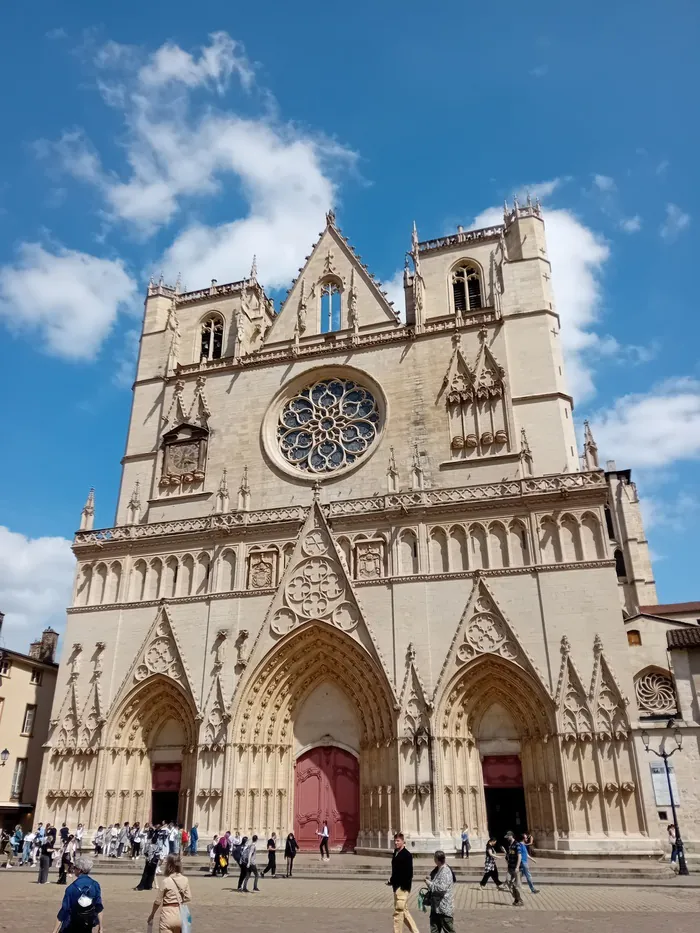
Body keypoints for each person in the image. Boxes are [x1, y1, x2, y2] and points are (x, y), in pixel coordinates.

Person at [50, 855, 103, 933]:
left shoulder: (71, 888)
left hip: (71, 924)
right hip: (87, 923)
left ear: (79, 870)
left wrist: (55, 930)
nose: (73, 869)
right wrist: (101, 927)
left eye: (75, 868)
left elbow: (64, 910)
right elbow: (99, 907)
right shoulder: (95, 885)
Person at [147, 854, 191, 933]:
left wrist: (152, 914)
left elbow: (157, 901)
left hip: (167, 914)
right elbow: (188, 897)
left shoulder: (166, 881)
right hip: (181, 914)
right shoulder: (185, 879)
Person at [388, 832, 419, 933]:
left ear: (403, 841)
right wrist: (391, 881)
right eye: (395, 841)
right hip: (396, 887)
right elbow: (396, 871)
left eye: (398, 841)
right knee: (404, 912)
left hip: (402, 888)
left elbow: (409, 874)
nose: (396, 843)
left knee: (398, 912)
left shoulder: (407, 855)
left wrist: (402, 887)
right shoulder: (396, 852)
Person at [425, 849, 455, 933]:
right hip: (436, 907)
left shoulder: (445, 871)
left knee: (448, 930)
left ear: (437, 860)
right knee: (434, 930)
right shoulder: (439, 869)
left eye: (434, 858)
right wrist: (431, 880)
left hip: (444, 908)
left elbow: (441, 888)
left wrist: (429, 883)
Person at [505, 832, 524, 906]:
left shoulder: (517, 844)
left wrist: (517, 867)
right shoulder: (509, 845)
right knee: (508, 882)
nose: (507, 838)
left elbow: (519, 856)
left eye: (508, 837)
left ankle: (518, 900)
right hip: (510, 868)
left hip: (516, 869)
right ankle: (517, 898)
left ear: (511, 836)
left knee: (516, 885)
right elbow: (509, 856)